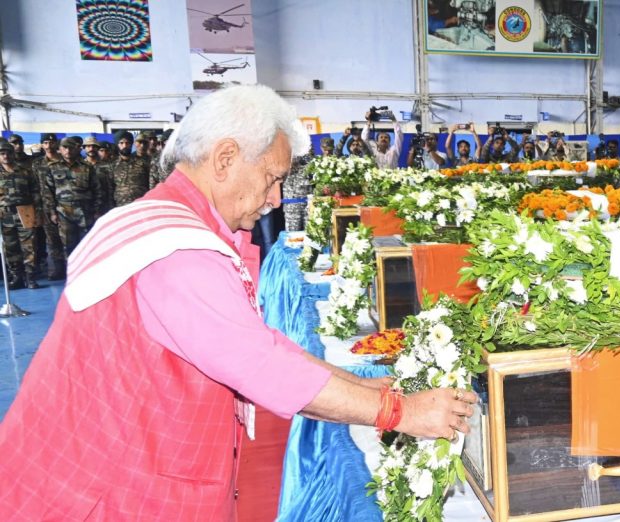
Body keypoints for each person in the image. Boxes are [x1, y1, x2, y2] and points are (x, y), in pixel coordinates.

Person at [0, 85, 477, 519]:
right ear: (225, 158)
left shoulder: (151, 219)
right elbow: (260, 366)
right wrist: (403, 413)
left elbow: (255, 342)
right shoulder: (180, 252)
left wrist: (371, 386)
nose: (274, 198)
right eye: (271, 178)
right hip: (112, 494)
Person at [41, 137, 101, 255]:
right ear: (60, 149)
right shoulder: (52, 167)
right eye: (65, 147)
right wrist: (52, 212)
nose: (68, 150)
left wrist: (97, 210)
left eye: (71, 147)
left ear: (77, 149)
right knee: (68, 247)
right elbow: (48, 191)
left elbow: (97, 189)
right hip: (64, 213)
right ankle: (71, 272)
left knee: (88, 246)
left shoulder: (87, 167)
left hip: (85, 212)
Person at [0, 142, 40, 289]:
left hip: (25, 212)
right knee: (10, 247)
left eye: (8, 153)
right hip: (5, 214)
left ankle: (30, 278)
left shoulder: (25, 171)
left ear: (13, 153)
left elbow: (36, 191)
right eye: (2, 153)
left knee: (29, 247)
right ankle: (16, 276)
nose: (5, 156)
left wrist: (37, 211)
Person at [31, 133, 66, 279]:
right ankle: (56, 270)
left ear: (56, 144)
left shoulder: (65, 161)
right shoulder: (37, 164)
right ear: (42, 145)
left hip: (64, 205)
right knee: (51, 240)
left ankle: (70, 270)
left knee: (67, 239)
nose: (48, 146)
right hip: (44, 207)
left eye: (51, 142)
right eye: (45, 143)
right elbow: (33, 186)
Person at [110, 130, 150, 207]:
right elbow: (110, 188)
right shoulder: (112, 165)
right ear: (117, 145)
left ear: (131, 144)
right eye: (121, 143)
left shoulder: (143, 163)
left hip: (141, 203)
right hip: (120, 205)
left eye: (127, 143)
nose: (124, 145)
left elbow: (150, 183)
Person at [82, 136, 115, 216]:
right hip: (86, 206)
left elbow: (111, 187)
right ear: (84, 148)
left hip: (104, 206)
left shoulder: (107, 166)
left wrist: (111, 206)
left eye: (94, 146)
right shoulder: (80, 166)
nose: (91, 149)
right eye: (88, 146)